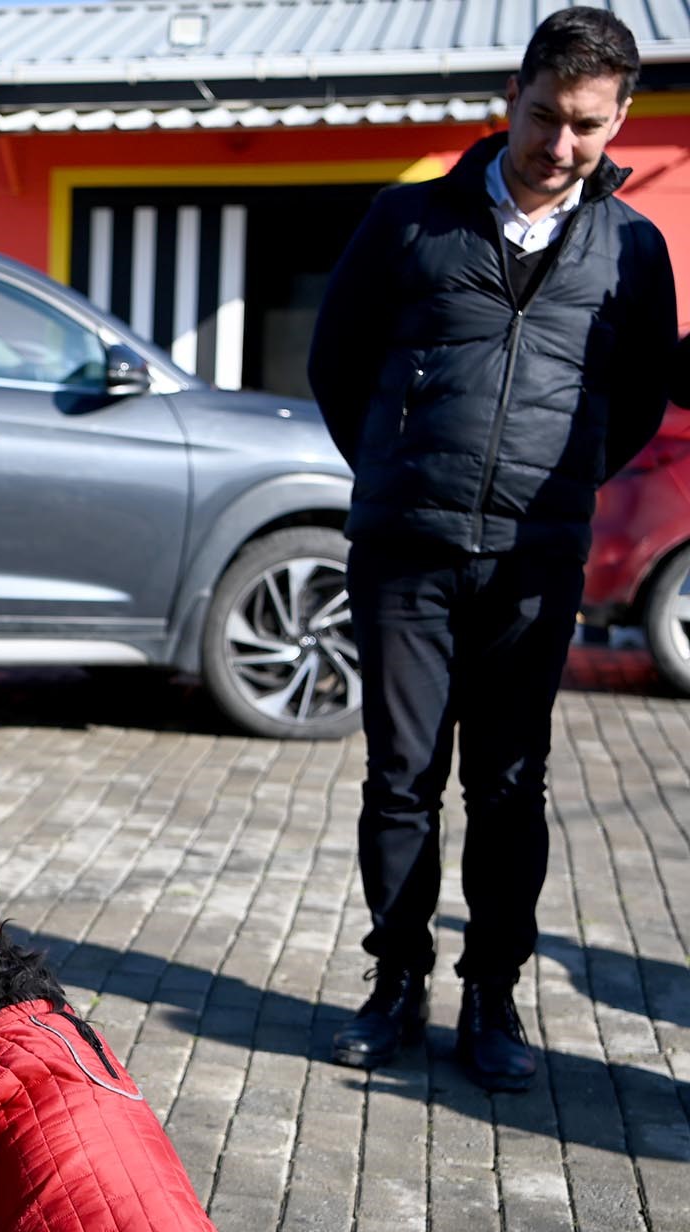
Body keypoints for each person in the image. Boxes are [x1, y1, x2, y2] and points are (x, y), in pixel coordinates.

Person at [307, 6, 677, 1091]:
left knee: (510, 786)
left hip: (531, 560)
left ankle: (492, 995)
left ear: (615, 125)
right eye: (542, 116)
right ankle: (393, 983)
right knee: (399, 779)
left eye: (585, 128)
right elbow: (339, 367)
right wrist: (397, 471)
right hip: (404, 552)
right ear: (507, 100)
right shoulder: (406, 223)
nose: (558, 146)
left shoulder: (631, 250)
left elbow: (638, 395)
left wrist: (553, 489)